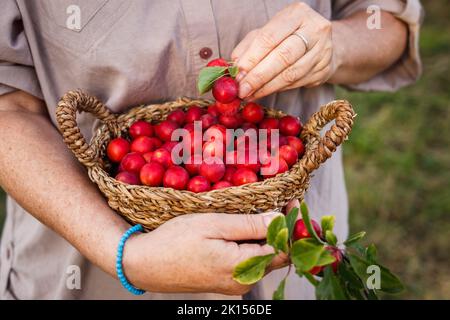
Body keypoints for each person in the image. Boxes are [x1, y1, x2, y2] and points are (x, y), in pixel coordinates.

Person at [0, 0, 422, 299]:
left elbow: (386, 20)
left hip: (292, 247)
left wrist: (336, 49)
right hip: (90, 270)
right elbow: (8, 107)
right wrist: (128, 255)